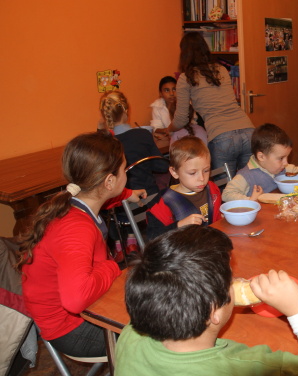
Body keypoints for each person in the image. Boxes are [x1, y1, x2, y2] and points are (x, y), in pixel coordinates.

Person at [115, 225, 298, 376]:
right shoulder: (253, 368)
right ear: (213, 311)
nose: (237, 280)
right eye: (230, 278)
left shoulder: (130, 334)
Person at [17, 132, 146, 357]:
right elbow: (76, 300)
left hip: (79, 310)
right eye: (124, 170)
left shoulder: (73, 201)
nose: (127, 173)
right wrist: (111, 267)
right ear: (108, 181)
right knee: (167, 329)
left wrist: (127, 193)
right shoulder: (76, 228)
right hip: (71, 329)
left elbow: (106, 194)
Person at [163, 32, 254, 178]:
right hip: (248, 130)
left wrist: (168, 129)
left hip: (221, 134)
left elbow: (181, 118)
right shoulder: (221, 70)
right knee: (249, 181)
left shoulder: (186, 78)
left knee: (224, 186)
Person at [222, 123, 298, 202]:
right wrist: (250, 200)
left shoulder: (281, 167)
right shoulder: (246, 176)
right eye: (281, 158)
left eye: (287, 157)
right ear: (261, 156)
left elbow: (297, 172)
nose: (285, 163)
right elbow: (226, 194)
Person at [146, 136, 222, 240]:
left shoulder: (212, 189)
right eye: (192, 173)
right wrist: (179, 225)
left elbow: (217, 218)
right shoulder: (162, 205)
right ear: (174, 172)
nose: (202, 178)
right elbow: (153, 238)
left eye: (206, 170)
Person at [100, 90, 169, 196]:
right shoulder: (142, 134)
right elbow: (162, 166)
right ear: (126, 110)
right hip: (150, 196)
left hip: (123, 200)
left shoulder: (104, 144)